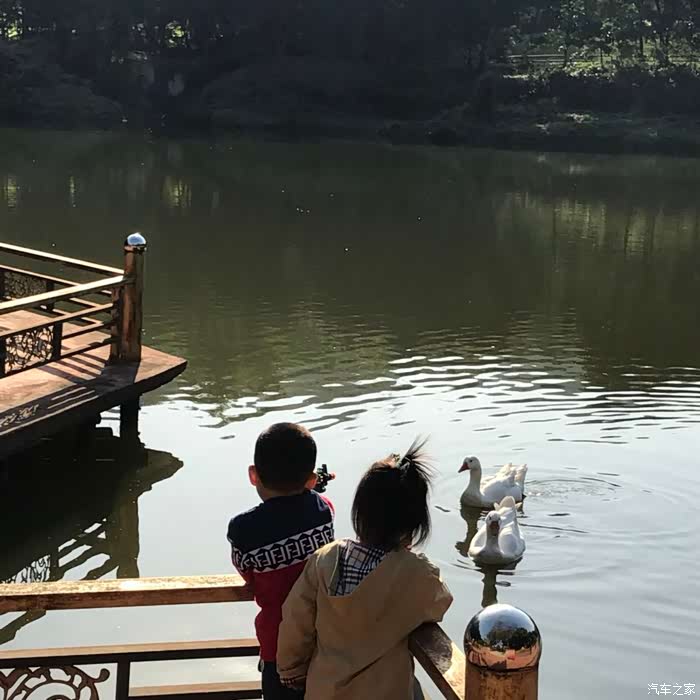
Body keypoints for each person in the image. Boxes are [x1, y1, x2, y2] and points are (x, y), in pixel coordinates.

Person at [276, 439, 453, 700]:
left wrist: (291, 669)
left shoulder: (325, 559)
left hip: (325, 691)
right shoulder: (418, 574)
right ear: (415, 524)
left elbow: (295, 620)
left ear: (360, 512)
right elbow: (440, 602)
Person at [227, 423, 335, 699]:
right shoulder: (324, 511)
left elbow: (247, 574)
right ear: (311, 479)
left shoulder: (242, 529)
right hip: (323, 639)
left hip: (277, 647)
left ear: (253, 475)